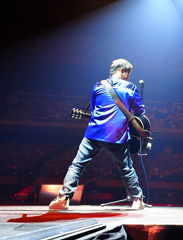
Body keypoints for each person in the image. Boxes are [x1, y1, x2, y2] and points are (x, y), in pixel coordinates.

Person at [49, 59, 146, 210]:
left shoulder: (99, 85)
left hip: (94, 133)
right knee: (126, 169)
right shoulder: (131, 87)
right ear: (122, 70)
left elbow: (94, 110)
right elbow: (140, 112)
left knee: (77, 166)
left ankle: (63, 198)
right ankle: (136, 200)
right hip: (117, 135)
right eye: (128, 73)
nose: (129, 77)